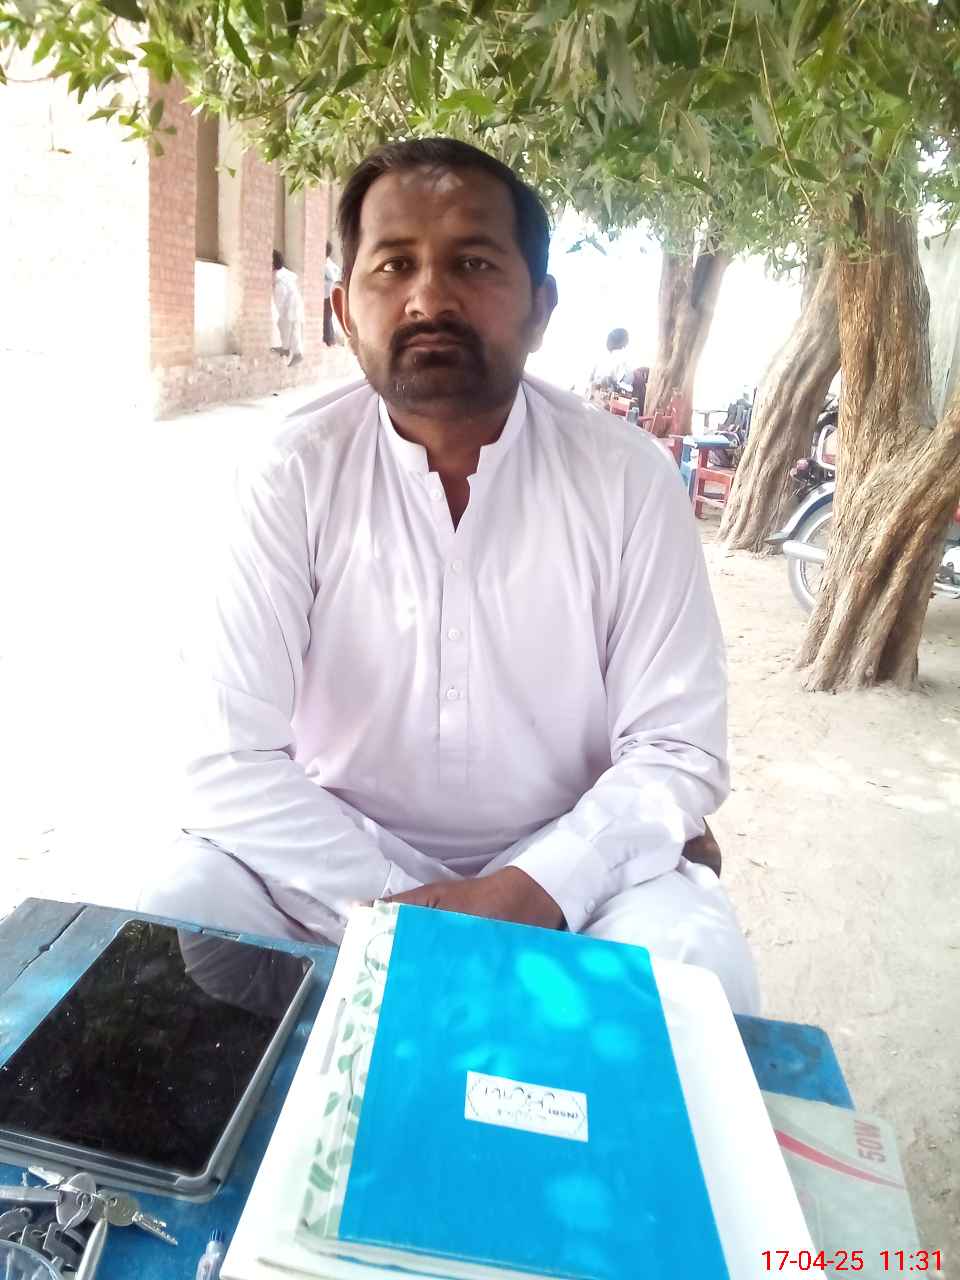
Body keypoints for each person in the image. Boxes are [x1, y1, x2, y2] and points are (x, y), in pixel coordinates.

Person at [142, 138, 758, 1014]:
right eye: (393, 264)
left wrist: (529, 890)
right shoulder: (287, 474)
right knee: (178, 909)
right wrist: (418, 912)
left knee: (700, 970)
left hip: (564, 886)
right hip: (332, 877)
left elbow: (676, 748)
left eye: (473, 262)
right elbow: (224, 756)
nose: (429, 297)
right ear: (344, 309)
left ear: (541, 307)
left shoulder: (628, 479)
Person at [272, 249, 304, 366]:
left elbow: (280, 300)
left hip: (290, 306)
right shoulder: (284, 274)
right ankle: (291, 351)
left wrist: (280, 312)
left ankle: (293, 352)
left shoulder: (279, 280)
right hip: (294, 305)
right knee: (292, 328)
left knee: (285, 326)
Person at [587, 327, 634, 401]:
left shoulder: (600, 359)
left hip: (594, 399)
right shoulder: (623, 359)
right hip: (610, 399)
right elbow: (628, 383)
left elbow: (591, 381)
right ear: (625, 343)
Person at [324, 240, 341, 345]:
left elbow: (333, 280)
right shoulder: (329, 264)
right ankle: (329, 340)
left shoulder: (328, 266)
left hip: (327, 296)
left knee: (326, 318)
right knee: (327, 318)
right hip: (328, 295)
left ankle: (329, 340)